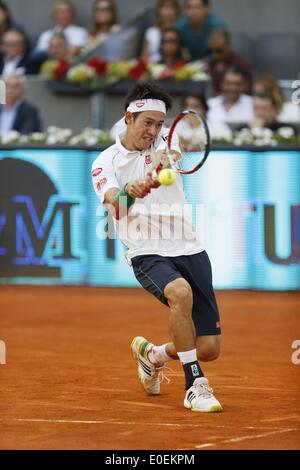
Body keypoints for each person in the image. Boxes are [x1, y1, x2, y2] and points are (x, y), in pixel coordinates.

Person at [92, 82, 222, 412]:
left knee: (208, 346)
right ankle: (195, 385)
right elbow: (116, 208)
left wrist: (165, 159)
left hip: (189, 246)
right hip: (146, 249)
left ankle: (153, 355)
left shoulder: (166, 140)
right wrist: (130, 192)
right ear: (128, 118)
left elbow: (170, 152)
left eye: (159, 123)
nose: (153, 130)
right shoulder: (104, 163)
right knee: (180, 293)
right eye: (146, 122)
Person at [207, 28, 253, 96]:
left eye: (219, 51)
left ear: (228, 46)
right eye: (211, 51)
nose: (215, 55)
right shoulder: (208, 64)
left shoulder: (242, 65)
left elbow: (248, 91)